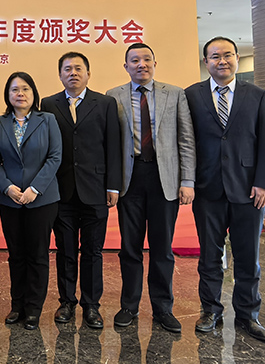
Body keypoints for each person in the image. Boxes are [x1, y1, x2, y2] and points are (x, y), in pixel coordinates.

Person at [185, 37, 265, 343]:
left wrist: (264, 182)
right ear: (206, 62)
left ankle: (248, 315)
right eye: (214, 56)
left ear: (237, 58)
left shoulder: (257, 95)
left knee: (248, 256)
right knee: (209, 256)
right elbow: (187, 141)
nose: (221, 61)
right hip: (207, 188)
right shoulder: (191, 95)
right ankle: (210, 311)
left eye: (227, 55)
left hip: (249, 190)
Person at [106, 43, 196, 333]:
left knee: (162, 248)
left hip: (164, 177)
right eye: (134, 60)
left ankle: (163, 308)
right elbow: (109, 145)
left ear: (155, 63)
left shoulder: (175, 94)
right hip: (130, 178)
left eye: (146, 59)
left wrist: (187, 180)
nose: (141, 64)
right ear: (126, 66)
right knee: (130, 247)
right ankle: (129, 306)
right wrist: (111, 184)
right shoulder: (113, 96)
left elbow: (186, 139)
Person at [40, 52, 122, 329]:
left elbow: (113, 146)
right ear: (60, 74)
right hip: (60, 190)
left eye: (78, 68)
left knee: (92, 251)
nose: (73, 73)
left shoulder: (105, 103)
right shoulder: (48, 104)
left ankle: (91, 305)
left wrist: (113, 185)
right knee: (65, 250)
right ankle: (66, 302)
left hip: (96, 189)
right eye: (67, 69)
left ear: (88, 73)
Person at [0, 72, 62, 330]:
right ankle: (17, 306)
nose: (20, 94)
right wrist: (7, 187)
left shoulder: (48, 120)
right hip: (9, 199)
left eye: (25, 89)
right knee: (16, 254)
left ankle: (33, 309)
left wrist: (35, 188)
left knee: (37, 254)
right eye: (14, 90)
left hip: (41, 200)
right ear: (7, 95)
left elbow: (55, 156)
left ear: (34, 93)